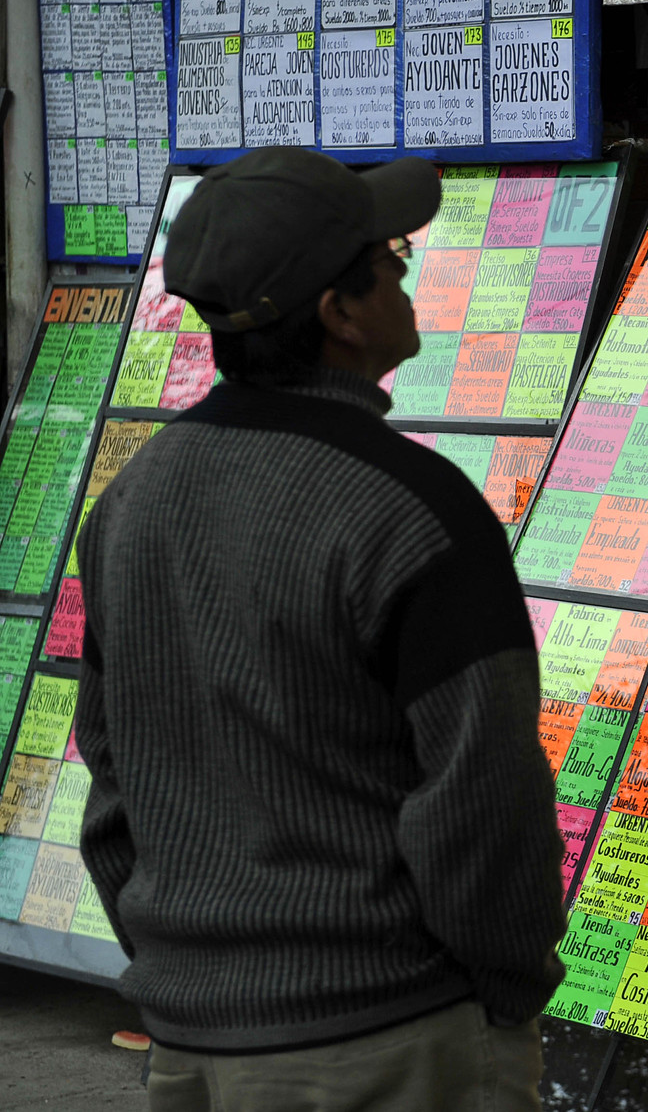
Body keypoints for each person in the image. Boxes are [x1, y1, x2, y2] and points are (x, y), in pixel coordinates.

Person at [72, 147, 566, 1111]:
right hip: (388, 1042)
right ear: (340, 314)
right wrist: (508, 985)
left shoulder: (131, 501)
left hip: (192, 1036)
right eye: (388, 257)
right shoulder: (415, 509)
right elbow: (482, 793)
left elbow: (112, 773)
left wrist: (186, 966)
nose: (404, 269)